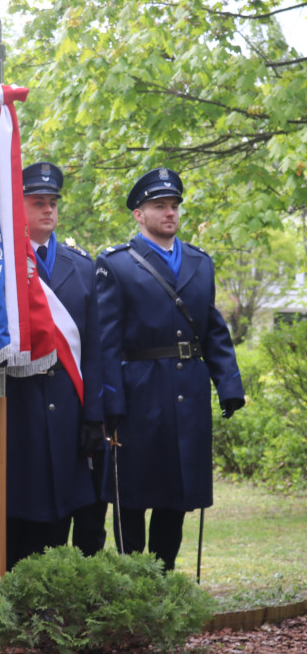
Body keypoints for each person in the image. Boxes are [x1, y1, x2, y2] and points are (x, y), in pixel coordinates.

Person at [96, 168, 244, 570]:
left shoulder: (200, 262)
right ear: (138, 215)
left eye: (174, 205)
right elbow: (106, 342)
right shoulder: (118, 265)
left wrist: (228, 384)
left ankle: (164, 580)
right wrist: (110, 402)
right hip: (139, 392)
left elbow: (213, 330)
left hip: (188, 394)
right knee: (133, 493)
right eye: (159, 206)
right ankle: (133, 579)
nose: (170, 213)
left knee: (176, 494)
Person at [0, 162, 104, 578]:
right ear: (19, 206)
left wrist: (93, 415)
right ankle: (6, 591)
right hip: (17, 402)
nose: (47, 210)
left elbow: (96, 347)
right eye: (37, 203)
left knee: (57, 505)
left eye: (52, 203)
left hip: (66, 407)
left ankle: (49, 593)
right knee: (12, 505)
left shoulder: (82, 267)